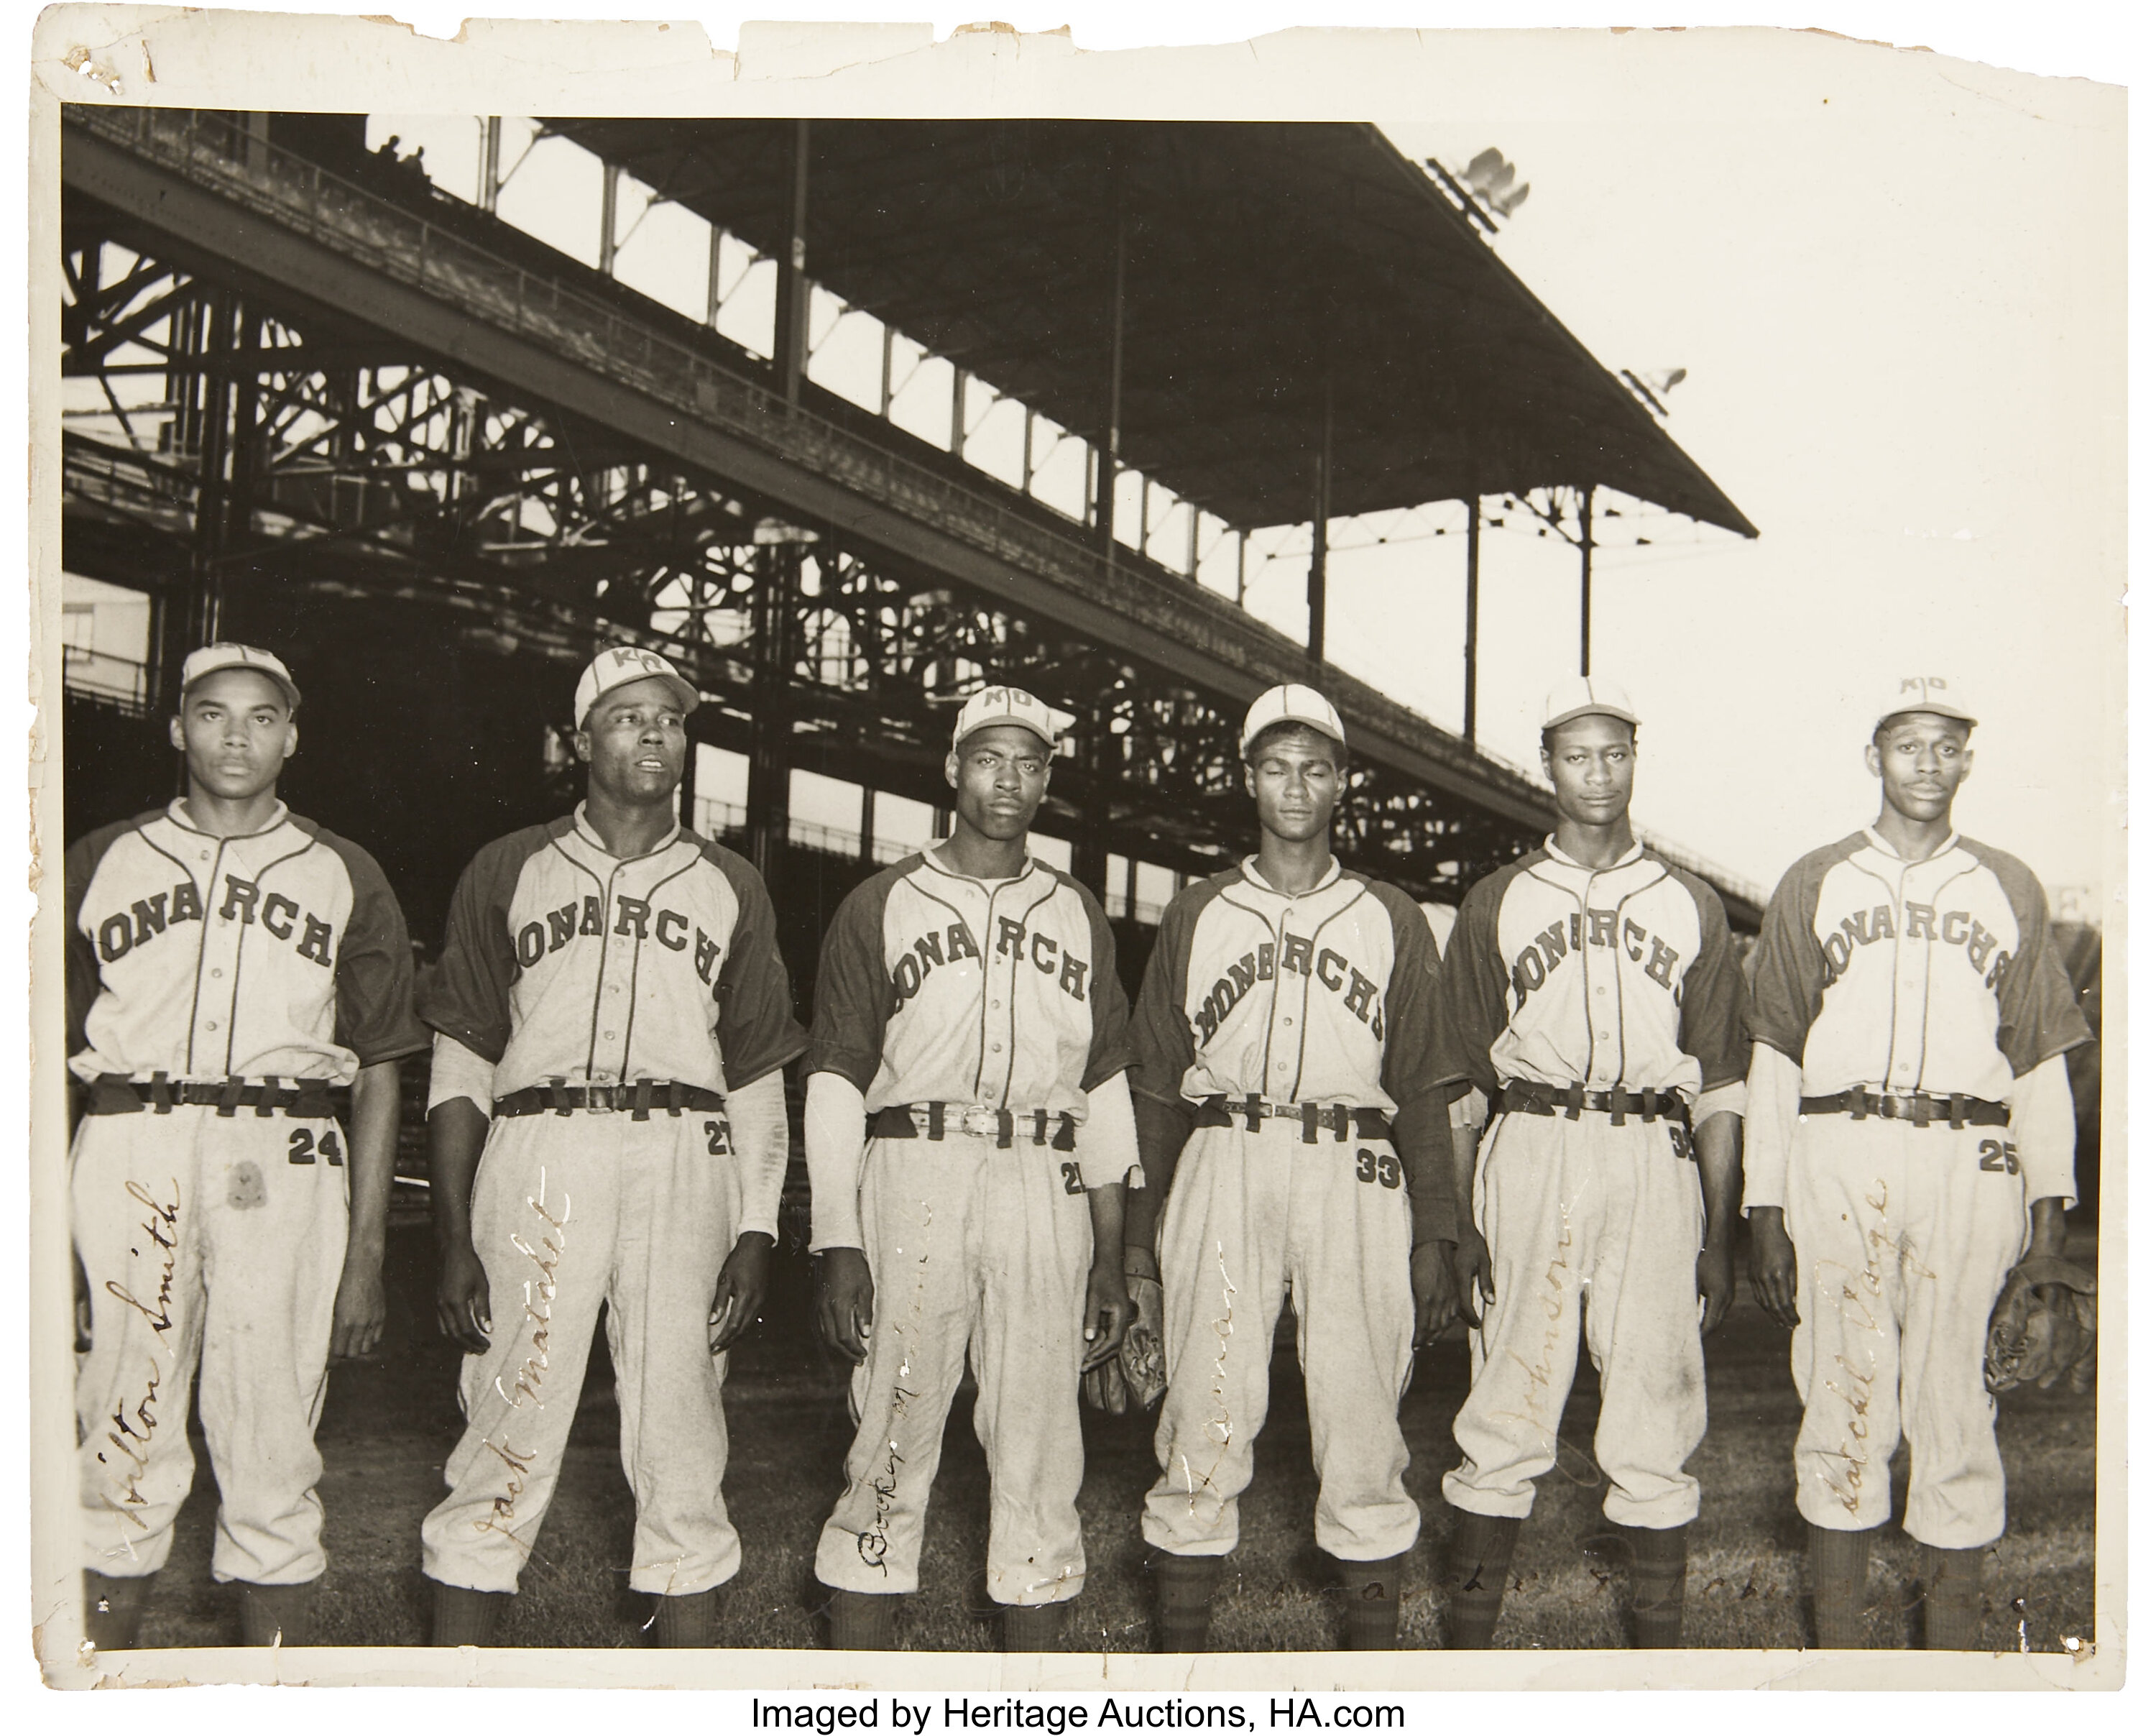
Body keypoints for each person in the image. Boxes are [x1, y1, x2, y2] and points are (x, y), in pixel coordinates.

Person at [415, 645, 805, 1647]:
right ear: (580, 738)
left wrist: (757, 1228)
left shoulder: (731, 884)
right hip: (540, 1144)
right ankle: (461, 1693)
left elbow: (757, 1075)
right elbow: (460, 1067)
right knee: (509, 1415)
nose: (652, 733)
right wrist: (452, 1236)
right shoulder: (509, 866)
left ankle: (684, 1697)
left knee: (681, 1428)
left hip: (686, 1149)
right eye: (627, 716)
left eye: (669, 719)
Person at [66, 643, 427, 1648]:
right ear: (177, 727)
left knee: (270, 1439)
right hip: (132, 1139)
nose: (237, 735)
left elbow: (383, 1063)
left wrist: (365, 1255)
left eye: (261, 717)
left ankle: (268, 1698)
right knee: (118, 1431)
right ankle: (100, 1689)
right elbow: (39, 1053)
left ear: (292, 737)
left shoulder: (343, 870)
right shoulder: (101, 857)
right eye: (214, 714)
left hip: (286, 1151)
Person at [1743, 676, 2091, 1649]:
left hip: (1968, 1154)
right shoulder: (1816, 878)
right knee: (1844, 1391)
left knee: (1955, 1397)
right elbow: (1772, 1049)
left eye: (1946, 743)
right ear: (1873, 757)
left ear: (1968, 758)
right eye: (1907, 743)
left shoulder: (2007, 883)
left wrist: (2050, 1223)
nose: (1927, 762)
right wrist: (1763, 1207)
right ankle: (1846, 1661)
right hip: (1839, 1145)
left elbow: (2040, 1064)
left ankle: (1947, 1660)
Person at [1123, 683, 1455, 1653]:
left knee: (1360, 1426)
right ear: (1246, 779)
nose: (1295, 784)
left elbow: (1427, 1083)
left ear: (1343, 782)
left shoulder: (1388, 913)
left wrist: (1437, 1227)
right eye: (1276, 765)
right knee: (1201, 1418)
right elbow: (1151, 1086)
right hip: (1222, 1152)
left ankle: (1374, 1689)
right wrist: (1141, 1242)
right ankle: (1176, 1692)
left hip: (1354, 1164)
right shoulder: (1198, 910)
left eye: (1315, 766)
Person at [806, 685, 1138, 1653]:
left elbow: (1106, 1090)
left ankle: (1032, 1694)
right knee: (892, 1433)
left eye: (1030, 762)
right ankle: (857, 1698)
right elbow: (834, 1077)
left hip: (1042, 1173)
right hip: (913, 1168)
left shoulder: (1078, 910)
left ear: (1047, 782)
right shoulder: (882, 901)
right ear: (953, 769)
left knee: (1039, 1444)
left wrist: (1113, 1260)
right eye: (990, 757)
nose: (1010, 777)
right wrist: (837, 1240)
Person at [1434, 676, 1746, 1649]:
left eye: (1615, 751)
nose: (1598, 771)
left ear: (1634, 760)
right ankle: (1465, 1668)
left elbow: (1723, 1090)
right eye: (1578, 753)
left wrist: (1720, 1233)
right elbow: (1458, 1083)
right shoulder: (1498, 900)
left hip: (1655, 1151)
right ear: (1549, 766)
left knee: (1656, 1405)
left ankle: (1655, 1675)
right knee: (1508, 1403)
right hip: (1532, 1142)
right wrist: (1460, 1218)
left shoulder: (1690, 901)